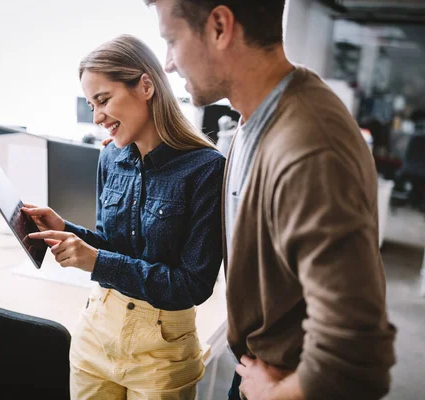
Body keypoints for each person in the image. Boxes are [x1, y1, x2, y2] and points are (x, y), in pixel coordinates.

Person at [145, 0, 397, 399]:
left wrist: (267, 395)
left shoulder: (309, 149)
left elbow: (356, 358)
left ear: (220, 26)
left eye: (172, 40)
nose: (169, 63)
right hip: (258, 369)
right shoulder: (256, 115)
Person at [24, 34, 225, 399]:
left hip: (161, 349)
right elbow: (110, 245)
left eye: (103, 100)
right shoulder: (110, 158)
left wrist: (96, 261)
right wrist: (65, 229)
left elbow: (191, 285)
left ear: (145, 85)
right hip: (97, 330)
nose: (97, 117)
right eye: (91, 104)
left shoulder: (206, 169)